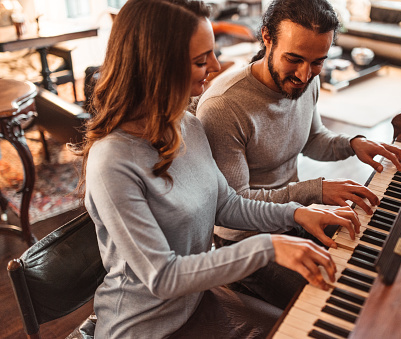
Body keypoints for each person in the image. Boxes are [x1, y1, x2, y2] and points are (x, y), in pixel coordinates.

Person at [74, 0, 361, 338]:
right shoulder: (112, 162)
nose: (215, 64)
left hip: (197, 302)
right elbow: (163, 277)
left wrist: (297, 214)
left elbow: (226, 205)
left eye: (212, 53)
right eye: (201, 60)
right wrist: (268, 246)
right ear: (157, 66)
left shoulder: (188, 125)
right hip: (143, 326)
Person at [196, 0, 401, 309]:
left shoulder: (307, 80)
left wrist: (353, 143)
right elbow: (234, 205)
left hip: (297, 215)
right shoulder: (224, 107)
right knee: (337, 300)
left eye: (318, 61)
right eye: (294, 59)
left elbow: (313, 139)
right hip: (247, 240)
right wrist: (313, 192)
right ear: (267, 37)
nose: (305, 75)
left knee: (374, 255)